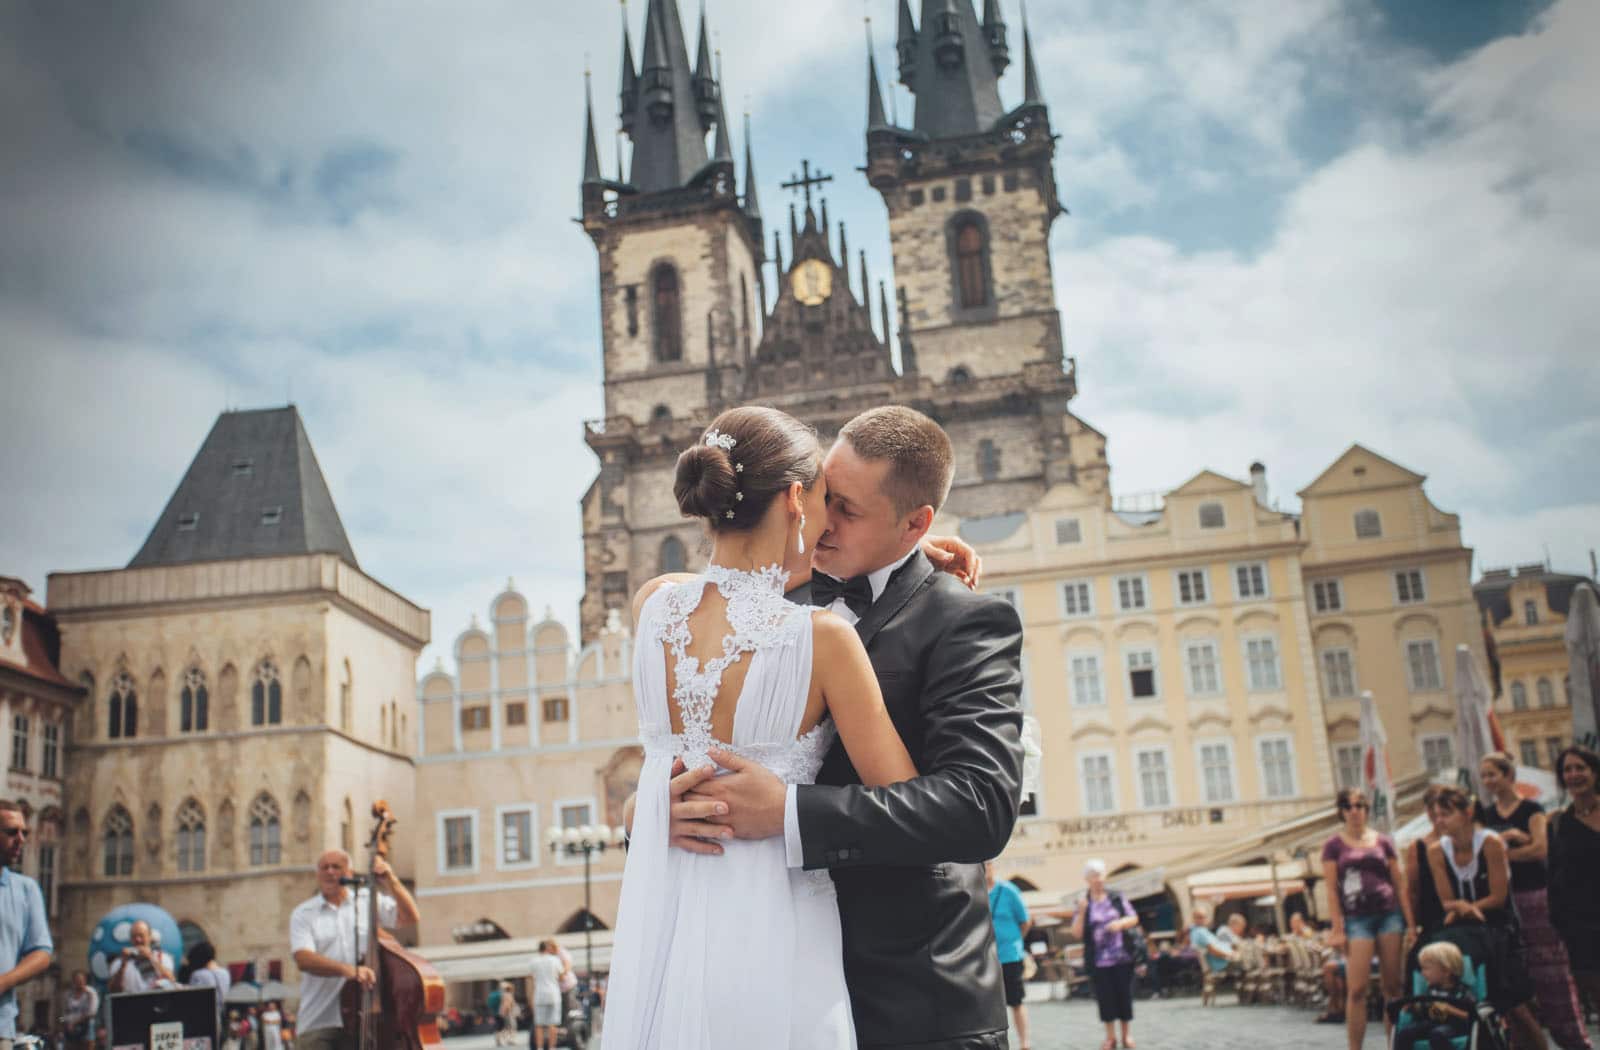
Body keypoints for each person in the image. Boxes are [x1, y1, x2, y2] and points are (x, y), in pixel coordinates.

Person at [608, 406, 1023, 1050]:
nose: (826, 520)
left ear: (916, 522)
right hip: (737, 961)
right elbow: (730, 583)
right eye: (824, 496)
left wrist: (791, 812)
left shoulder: (963, 619)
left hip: (912, 1001)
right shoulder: (783, 601)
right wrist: (645, 808)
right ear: (796, 498)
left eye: (847, 509)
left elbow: (979, 811)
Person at [1479, 751, 1592, 1050]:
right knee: (1517, 981)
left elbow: (1540, 851)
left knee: (1554, 976)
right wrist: (1514, 846)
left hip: (1536, 898)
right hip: (1505, 903)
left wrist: (1500, 855)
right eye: (1485, 775)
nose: (1489, 780)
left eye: (1493, 773)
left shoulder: (1532, 808)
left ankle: (1575, 1041)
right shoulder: (1485, 816)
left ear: (1509, 776)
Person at [1425, 784, 1544, 1050]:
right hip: (1467, 929)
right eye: (1436, 814)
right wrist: (1464, 909)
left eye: (1446, 813)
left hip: (1498, 924)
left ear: (1467, 813)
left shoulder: (1490, 842)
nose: (1439, 820)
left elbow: (1498, 897)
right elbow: (1447, 901)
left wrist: (1464, 907)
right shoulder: (1436, 850)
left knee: (1515, 1005)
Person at [288, 848, 421, 1050]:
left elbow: (409, 917)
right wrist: (347, 970)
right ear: (318, 874)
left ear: (349, 873)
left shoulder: (367, 900)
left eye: (337, 867)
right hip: (319, 1021)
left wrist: (390, 880)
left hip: (366, 1017)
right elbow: (303, 959)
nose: (330, 872)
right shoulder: (304, 913)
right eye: (325, 867)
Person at [1321, 787, 1412, 1050]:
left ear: (1366, 809)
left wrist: (1410, 920)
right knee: (1357, 988)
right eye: (1348, 806)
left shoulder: (1383, 841)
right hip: (1356, 919)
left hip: (1389, 915)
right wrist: (1337, 927)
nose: (1355, 811)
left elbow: (1398, 882)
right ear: (1341, 811)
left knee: (1393, 987)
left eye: (1360, 805)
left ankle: (1394, 1044)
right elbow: (1331, 889)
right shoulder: (1333, 845)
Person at [1548, 746, 1600, 1015]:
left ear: (1594, 772)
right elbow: (1555, 875)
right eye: (1567, 770)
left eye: (1580, 767)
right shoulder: (1559, 823)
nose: (1574, 774)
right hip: (1583, 926)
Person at [1072, 859, 1140, 1050]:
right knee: (1105, 999)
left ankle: (1127, 1035)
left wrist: (1120, 924)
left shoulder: (1116, 897)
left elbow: (1134, 917)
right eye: (1094, 876)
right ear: (1087, 879)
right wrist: (1083, 910)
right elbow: (1076, 933)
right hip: (1099, 960)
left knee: (1124, 996)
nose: (1098, 880)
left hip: (1122, 956)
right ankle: (1110, 1037)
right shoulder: (1084, 902)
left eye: (1100, 875)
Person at [1392, 941, 1478, 1050]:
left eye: (1426, 968)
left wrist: (1451, 1010)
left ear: (1446, 971)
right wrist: (1412, 1007)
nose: (1422, 973)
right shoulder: (1431, 991)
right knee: (1405, 1033)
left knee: (1438, 1035)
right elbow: (1422, 1010)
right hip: (1432, 1023)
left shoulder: (1462, 991)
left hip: (1455, 1025)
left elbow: (1473, 1015)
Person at [985, 862, 1032, 1050]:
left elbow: (1025, 922)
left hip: (1010, 956)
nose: (984, 867)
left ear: (992, 866)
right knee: (990, 1005)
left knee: (1016, 1001)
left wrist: (1015, 943)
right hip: (985, 959)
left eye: (987, 863)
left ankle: (1024, 1043)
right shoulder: (976, 892)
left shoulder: (1008, 890)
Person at [1186, 906, 1235, 1006]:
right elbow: (1213, 951)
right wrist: (1230, 954)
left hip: (1218, 961)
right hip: (1220, 963)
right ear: (1193, 918)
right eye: (1198, 917)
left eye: (1203, 917)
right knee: (1253, 965)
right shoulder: (1200, 932)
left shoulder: (1200, 931)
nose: (1201, 920)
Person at [108, 920, 174, 993]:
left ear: (149, 936)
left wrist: (151, 958)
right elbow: (113, 990)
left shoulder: (163, 957)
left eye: (141, 935)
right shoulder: (118, 962)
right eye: (134, 936)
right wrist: (123, 965)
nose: (138, 939)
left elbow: (171, 980)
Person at [183, 941, 231, 1037]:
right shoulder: (225, 973)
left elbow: (191, 998)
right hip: (220, 1017)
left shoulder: (198, 975)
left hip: (202, 1019)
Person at [528, 942, 566, 1050]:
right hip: (553, 994)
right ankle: (551, 1047)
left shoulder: (533, 961)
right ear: (547, 949)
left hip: (539, 995)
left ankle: (539, 1047)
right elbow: (562, 976)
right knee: (552, 1023)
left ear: (538, 950)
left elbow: (531, 977)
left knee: (539, 1024)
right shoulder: (554, 960)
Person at [61, 971, 97, 1050]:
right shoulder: (68, 994)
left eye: (81, 980)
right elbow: (64, 1013)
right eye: (77, 980)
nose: (79, 982)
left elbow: (92, 1012)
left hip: (85, 1024)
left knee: (90, 1025)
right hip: (71, 1024)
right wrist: (65, 1022)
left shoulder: (90, 993)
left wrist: (76, 1022)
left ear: (85, 980)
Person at [494, 982, 518, 1046]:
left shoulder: (504, 995)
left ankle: (502, 1040)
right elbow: (506, 1005)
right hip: (508, 1013)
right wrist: (507, 1012)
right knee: (511, 1027)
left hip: (504, 1013)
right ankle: (510, 1040)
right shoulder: (508, 995)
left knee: (504, 1027)